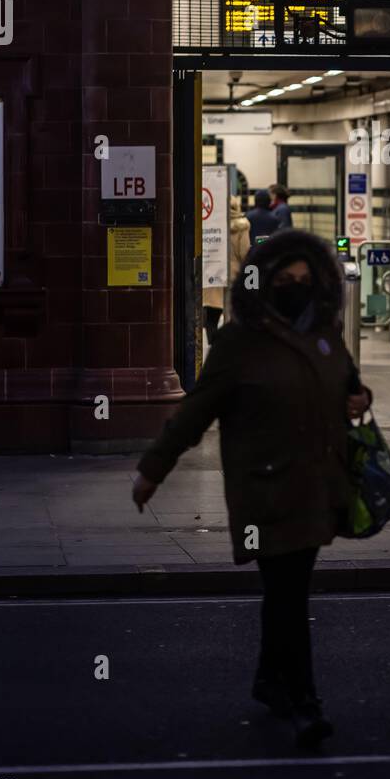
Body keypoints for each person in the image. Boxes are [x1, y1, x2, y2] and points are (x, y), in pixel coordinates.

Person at [132, 229, 372, 749]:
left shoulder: (323, 331)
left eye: (304, 280)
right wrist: (154, 468)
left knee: (286, 591)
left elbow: (349, 384)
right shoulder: (239, 342)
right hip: (264, 490)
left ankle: (269, 680)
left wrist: (358, 398)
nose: (293, 287)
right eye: (283, 279)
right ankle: (306, 705)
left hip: (316, 483)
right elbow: (196, 410)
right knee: (288, 592)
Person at [203, 195, 251, 345]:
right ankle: (228, 344)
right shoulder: (242, 226)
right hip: (233, 274)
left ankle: (213, 342)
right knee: (230, 312)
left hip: (213, 269)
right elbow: (244, 252)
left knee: (212, 311)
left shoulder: (211, 225)